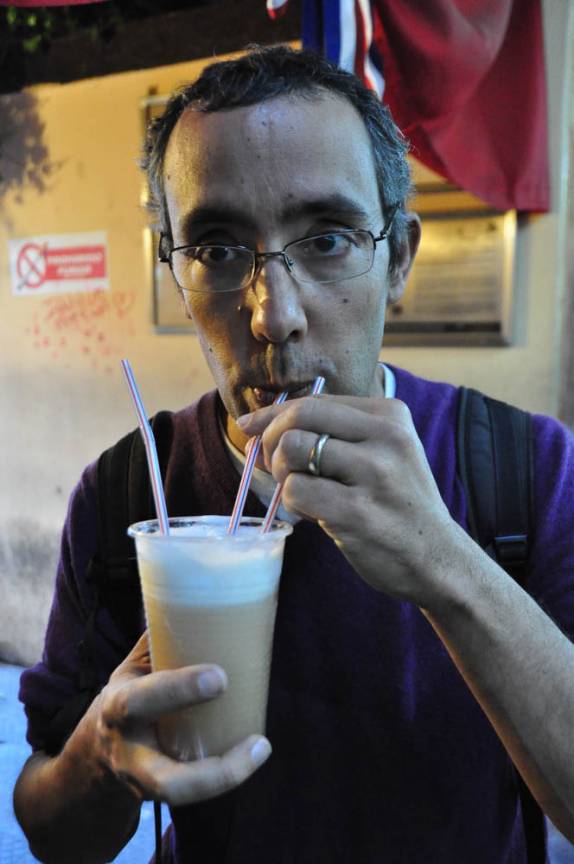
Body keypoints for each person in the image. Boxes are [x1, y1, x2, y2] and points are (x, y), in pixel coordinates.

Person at [13, 45, 574, 864]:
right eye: (216, 248)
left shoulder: (527, 471)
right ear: (176, 272)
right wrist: (100, 765)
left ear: (400, 259)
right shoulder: (130, 489)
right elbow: (52, 832)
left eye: (329, 239)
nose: (274, 317)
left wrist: (447, 566)